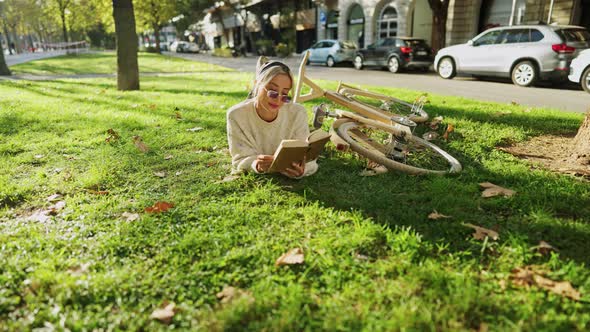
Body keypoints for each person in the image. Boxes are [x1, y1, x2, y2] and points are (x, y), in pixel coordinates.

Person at [226, 57, 318, 178]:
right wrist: (256, 165)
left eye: (285, 94)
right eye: (273, 91)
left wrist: (301, 170)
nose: (278, 99)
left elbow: (308, 158)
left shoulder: (297, 112)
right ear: (256, 85)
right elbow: (240, 159)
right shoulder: (237, 115)